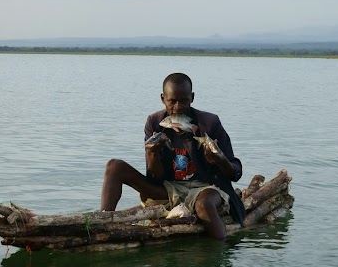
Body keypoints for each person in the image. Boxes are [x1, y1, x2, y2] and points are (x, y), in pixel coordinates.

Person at [101, 73, 243, 240]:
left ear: (192, 98)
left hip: (206, 187)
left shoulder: (210, 122)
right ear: (163, 98)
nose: (178, 107)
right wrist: (152, 154)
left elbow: (235, 173)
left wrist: (220, 160)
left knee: (203, 205)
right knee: (114, 167)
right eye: (172, 101)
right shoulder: (154, 122)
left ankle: (221, 254)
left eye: (184, 101)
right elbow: (155, 177)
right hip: (169, 188)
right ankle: (101, 223)